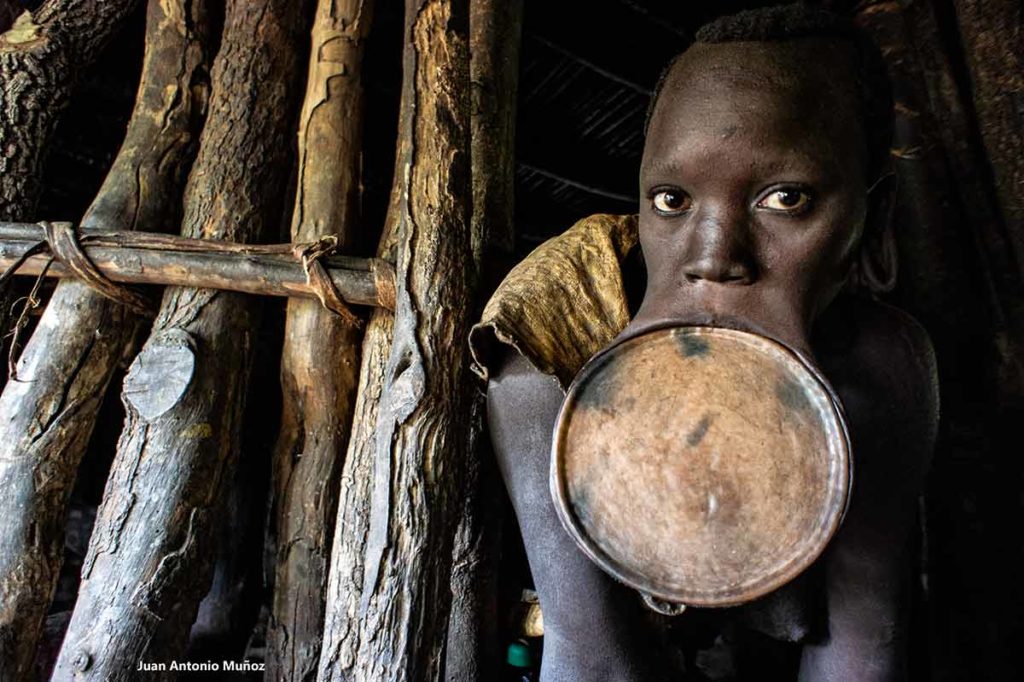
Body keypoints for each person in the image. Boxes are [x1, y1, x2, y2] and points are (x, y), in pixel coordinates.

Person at [471, 4, 940, 681]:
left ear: (876, 222)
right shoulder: (546, 347)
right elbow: (595, 664)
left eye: (786, 200)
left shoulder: (881, 368)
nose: (716, 258)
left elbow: (862, 651)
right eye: (671, 201)